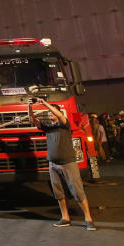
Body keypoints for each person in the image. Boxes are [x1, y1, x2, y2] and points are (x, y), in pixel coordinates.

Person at [28, 97, 97, 230]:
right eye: (49, 114)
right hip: (53, 165)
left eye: (52, 112)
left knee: (77, 191)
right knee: (58, 193)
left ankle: (88, 219)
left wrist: (44, 103)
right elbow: (32, 120)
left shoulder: (64, 125)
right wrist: (29, 106)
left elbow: (59, 115)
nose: (50, 114)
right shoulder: (48, 128)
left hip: (68, 163)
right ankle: (65, 218)